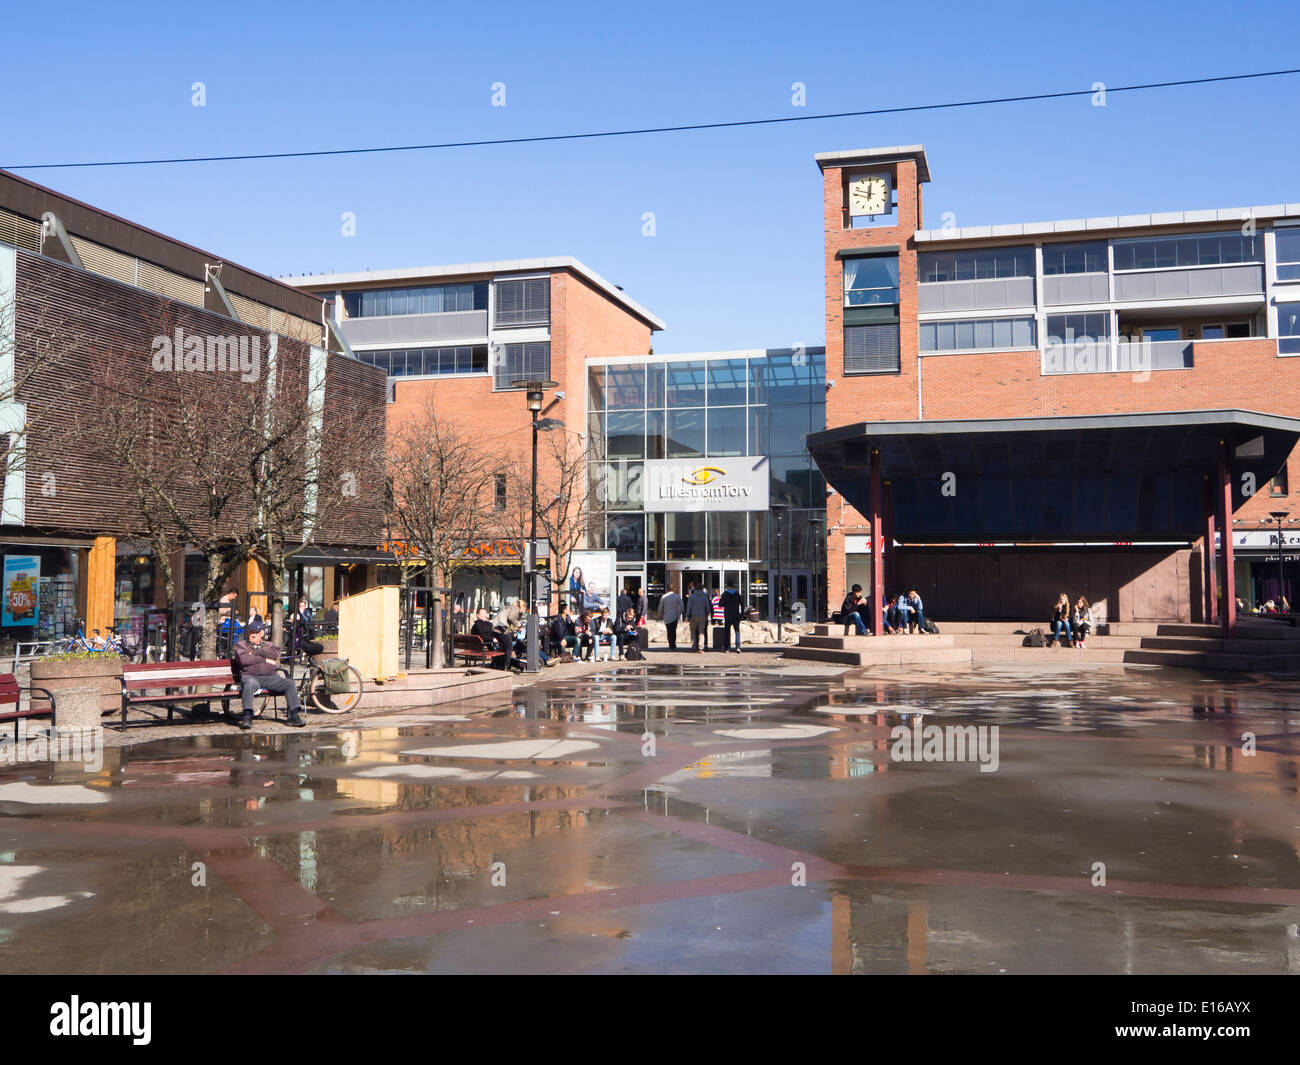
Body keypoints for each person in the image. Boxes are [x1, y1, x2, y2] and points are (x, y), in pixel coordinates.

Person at [232, 619, 305, 730]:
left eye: (256, 632)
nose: (253, 635)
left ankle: (295, 715)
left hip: (271, 677)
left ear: (262, 633)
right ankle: (247, 717)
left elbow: (275, 653)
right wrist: (265, 660)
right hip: (251, 676)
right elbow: (244, 660)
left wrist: (256, 653)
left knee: (289, 683)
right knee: (249, 683)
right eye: (251, 632)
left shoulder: (269, 645)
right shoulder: (241, 645)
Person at [685, 583, 712, 653]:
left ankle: (694, 646)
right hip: (702, 616)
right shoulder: (705, 597)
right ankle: (701, 647)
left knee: (693, 631)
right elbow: (708, 608)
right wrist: (706, 615)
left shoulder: (692, 597)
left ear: (695, 589)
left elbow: (689, 607)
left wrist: (687, 616)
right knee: (701, 632)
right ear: (702, 589)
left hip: (693, 616)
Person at [720, 580, 743, 653]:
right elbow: (742, 604)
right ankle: (738, 647)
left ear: (727, 586)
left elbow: (720, 604)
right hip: (736, 615)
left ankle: (727, 648)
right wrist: (742, 614)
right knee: (737, 631)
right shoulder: (737, 593)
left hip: (728, 615)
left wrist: (725, 603)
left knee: (727, 631)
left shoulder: (725, 594)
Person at [658, 585, 684, 650]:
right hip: (675, 616)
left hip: (667, 616)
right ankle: (673, 644)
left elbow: (660, 607)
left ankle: (670, 644)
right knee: (673, 631)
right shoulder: (677, 596)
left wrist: (660, 615)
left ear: (667, 589)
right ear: (674, 589)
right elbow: (682, 606)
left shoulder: (664, 597)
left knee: (669, 631)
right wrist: (679, 614)